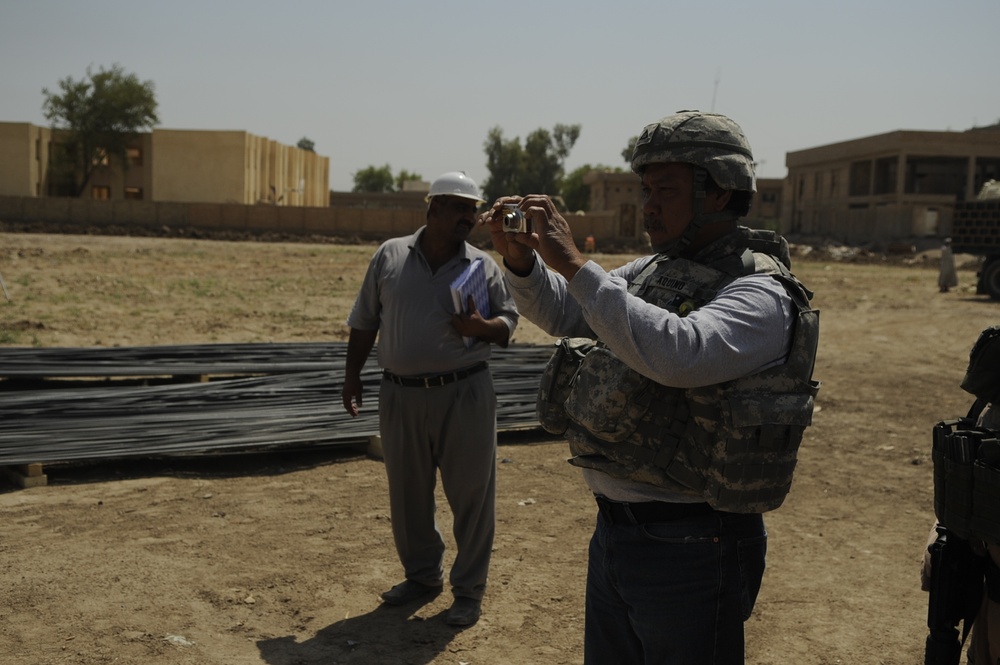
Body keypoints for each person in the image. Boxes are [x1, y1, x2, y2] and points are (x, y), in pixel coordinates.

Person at [482, 110, 820, 663]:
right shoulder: (651, 271)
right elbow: (568, 311)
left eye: (665, 189)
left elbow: (680, 355)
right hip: (618, 534)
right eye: (646, 189)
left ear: (718, 192)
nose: (649, 205)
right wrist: (522, 262)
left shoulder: (760, 291)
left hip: (695, 546)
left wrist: (574, 261)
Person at [341, 171, 519, 627]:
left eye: (472, 208)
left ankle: (469, 591)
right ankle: (422, 577)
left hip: (465, 393)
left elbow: (508, 326)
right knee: (407, 495)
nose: (468, 217)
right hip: (400, 394)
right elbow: (364, 321)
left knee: (472, 496)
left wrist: (482, 328)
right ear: (433, 209)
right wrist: (353, 376)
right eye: (458, 207)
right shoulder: (390, 255)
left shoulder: (482, 266)